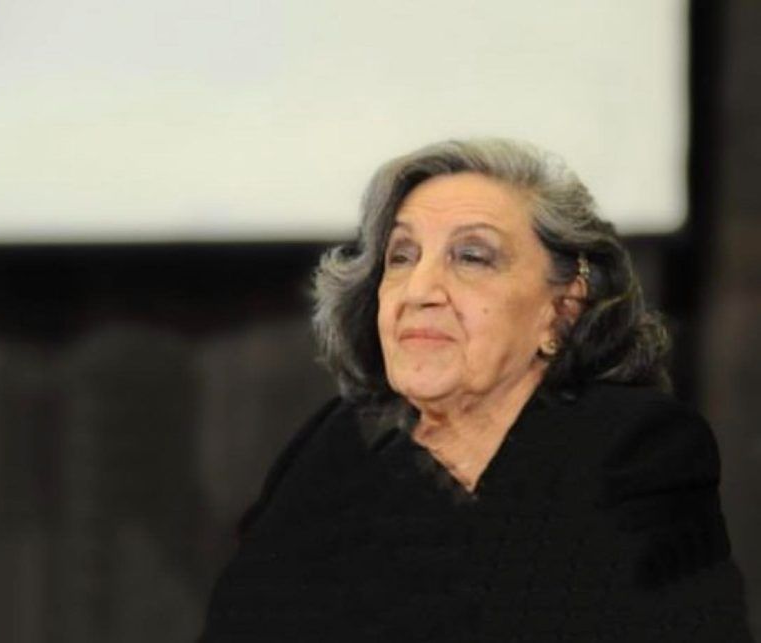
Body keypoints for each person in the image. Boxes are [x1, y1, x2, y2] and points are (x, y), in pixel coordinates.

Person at [199, 139, 753, 641]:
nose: (420, 290)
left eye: (471, 257)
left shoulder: (636, 451)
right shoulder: (332, 444)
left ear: (562, 309)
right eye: (401, 257)